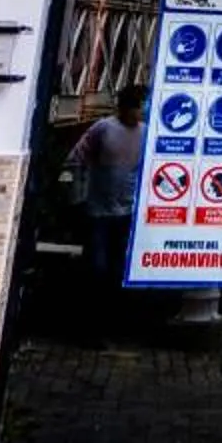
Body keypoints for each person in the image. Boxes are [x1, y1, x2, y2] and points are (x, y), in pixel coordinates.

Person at [67, 83, 148, 298]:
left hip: (128, 209)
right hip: (98, 210)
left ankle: (112, 309)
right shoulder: (103, 128)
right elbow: (75, 160)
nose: (141, 112)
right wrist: (77, 197)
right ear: (126, 107)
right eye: (139, 107)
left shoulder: (145, 133)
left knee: (121, 264)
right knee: (97, 264)